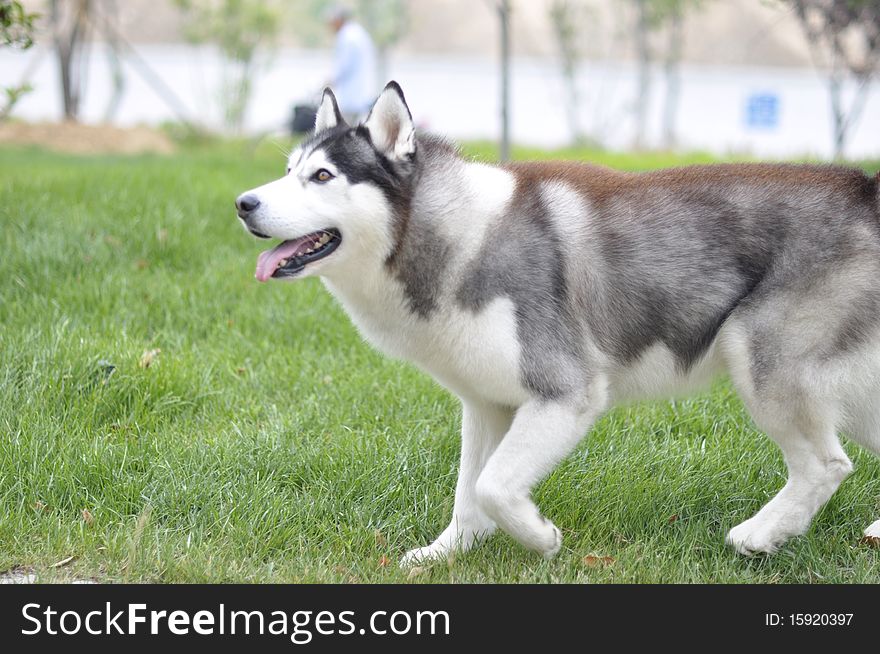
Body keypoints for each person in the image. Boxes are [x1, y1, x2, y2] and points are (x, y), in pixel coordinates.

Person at [325, 6, 377, 122]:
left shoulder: (347, 36)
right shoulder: (359, 32)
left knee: (345, 132)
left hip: (351, 96)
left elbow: (343, 66)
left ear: (338, 20)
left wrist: (330, 81)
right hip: (362, 95)